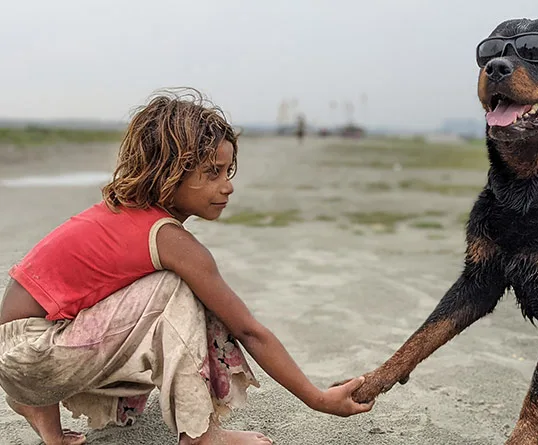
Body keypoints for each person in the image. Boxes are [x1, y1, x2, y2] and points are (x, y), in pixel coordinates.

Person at [0, 88, 373, 445]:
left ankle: (39, 411)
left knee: (147, 297)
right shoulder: (167, 239)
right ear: (167, 171)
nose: (227, 187)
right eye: (212, 173)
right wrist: (317, 399)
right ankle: (200, 436)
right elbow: (248, 329)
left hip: (17, 354)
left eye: (228, 172)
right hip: (31, 354)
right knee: (174, 290)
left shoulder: (123, 212)